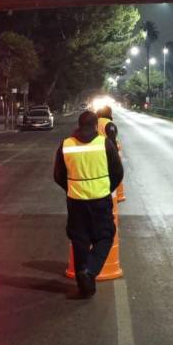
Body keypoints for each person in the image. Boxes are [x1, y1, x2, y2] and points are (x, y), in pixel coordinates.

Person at [54, 110, 124, 298]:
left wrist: (72, 188)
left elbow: (58, 175)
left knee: (79, 241)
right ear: (95, 125)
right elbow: (118, 172)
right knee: (105, 237)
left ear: (79, 125)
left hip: (76, 203)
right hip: (100, 201)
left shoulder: (66, 144)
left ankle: (84, 287)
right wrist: (105, 188)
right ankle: (90, 270)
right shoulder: (104, 143)